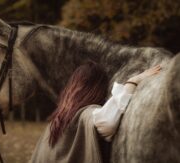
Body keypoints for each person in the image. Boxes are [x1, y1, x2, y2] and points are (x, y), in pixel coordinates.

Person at [29, 61, 161, 163]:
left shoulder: (59, 117)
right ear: (97, 89)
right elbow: (107, 122)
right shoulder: (84, 115)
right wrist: (132, 81)